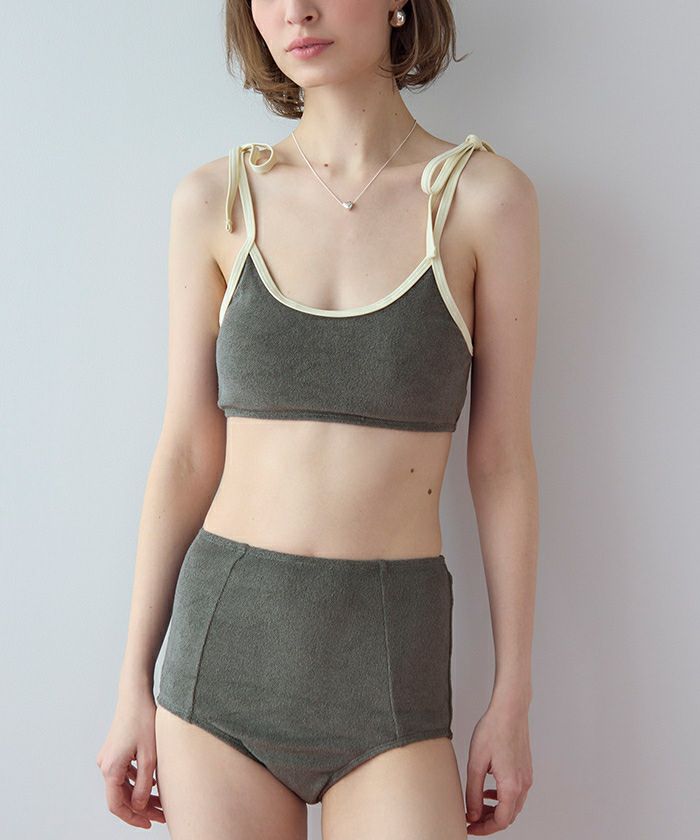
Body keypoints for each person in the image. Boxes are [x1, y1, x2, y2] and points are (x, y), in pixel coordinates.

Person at [96, 1, 540, 837]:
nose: (296, 10)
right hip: (221, 657)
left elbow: (502, 462)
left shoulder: (485, 200)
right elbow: (187, 452)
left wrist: (511, 697)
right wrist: (131, 686)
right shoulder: (216, 200)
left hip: (391, 666)